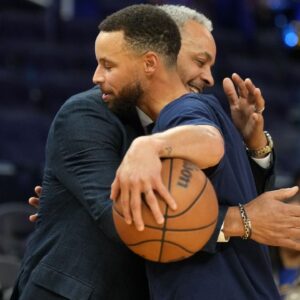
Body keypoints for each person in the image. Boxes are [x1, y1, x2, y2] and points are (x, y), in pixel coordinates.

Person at [16, 3, 297, 300]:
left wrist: (254, 145)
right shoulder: (87, 114)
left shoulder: (186, 116)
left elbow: (235, 192)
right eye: (200, 61)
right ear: (161, 54)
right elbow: (121, 218)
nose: (209, 77)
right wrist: (239, 221)